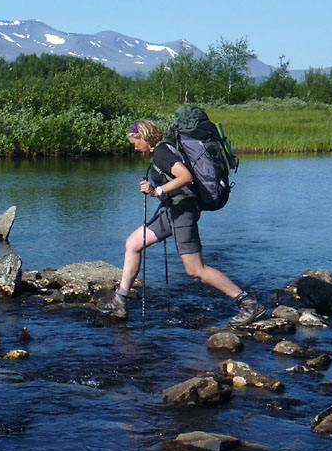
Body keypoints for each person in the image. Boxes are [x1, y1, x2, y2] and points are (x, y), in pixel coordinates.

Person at [97, 118, 265, 325]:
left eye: (134, 141)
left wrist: (157, 190)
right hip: (171, 211)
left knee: (196, 269)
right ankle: (120, 300)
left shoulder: (161, 152)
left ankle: (248, 303)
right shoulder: (164, 149)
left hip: (182, 212)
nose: (134, 146)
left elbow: (185, 177)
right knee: (133, 244)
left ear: (143, 136)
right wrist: (158, 191)